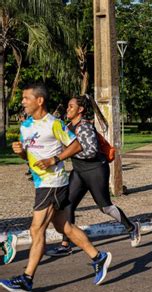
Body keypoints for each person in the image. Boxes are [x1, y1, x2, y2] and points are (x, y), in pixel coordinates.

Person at [1, 84, 111, 292]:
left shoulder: (54, 124)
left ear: (39, 100)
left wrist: (56, 158)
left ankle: (26, 279)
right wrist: (21, 153)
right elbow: (29, 156)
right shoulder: (25, 126)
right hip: (40, 182)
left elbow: (77, 144)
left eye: (26, 98)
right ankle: (99, 257)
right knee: (65, 227)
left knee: (36, 229)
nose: (22, 101)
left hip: (52, 182)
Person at [46, 95, 141, 257]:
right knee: (67, 205)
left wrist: (67, 154)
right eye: (68, 106)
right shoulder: (69, 126)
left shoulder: (85, 127)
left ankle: (132, 227)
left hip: (95, 170)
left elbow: (90, 151)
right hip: (79, 171)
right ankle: (65, 244)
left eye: (71, 106)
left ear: (80, 110)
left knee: (105, 207)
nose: (67, 109)